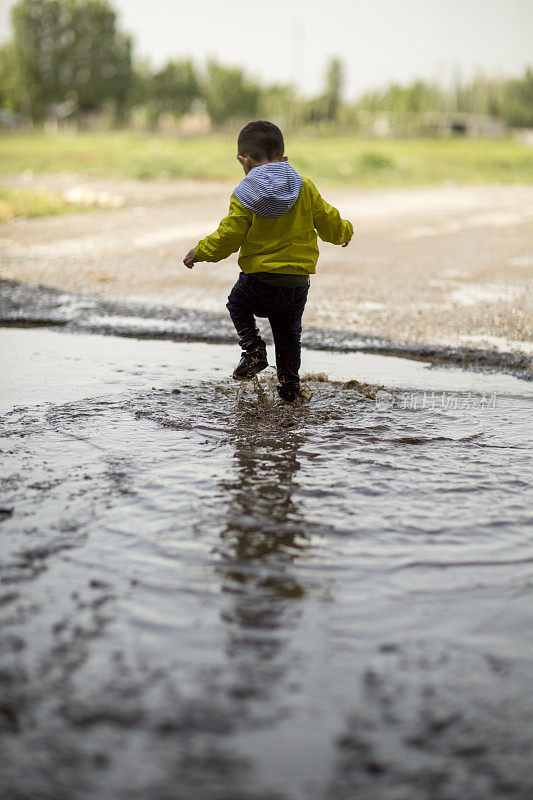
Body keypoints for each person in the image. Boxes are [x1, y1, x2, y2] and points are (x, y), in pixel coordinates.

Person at [183, 120, 353, 402]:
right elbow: (328, 220)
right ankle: (289, 391)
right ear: (283, 159)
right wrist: (345, 232)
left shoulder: (246, 193)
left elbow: (229, 235)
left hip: (259, 280)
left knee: (236, 302)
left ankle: (253, 350)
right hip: (296, 283)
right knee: (288, 338)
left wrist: (201, 251)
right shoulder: (304, 186)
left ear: (244, 161)